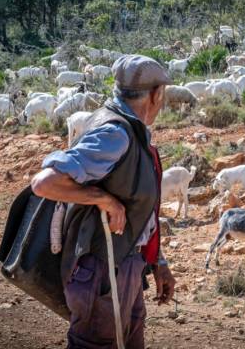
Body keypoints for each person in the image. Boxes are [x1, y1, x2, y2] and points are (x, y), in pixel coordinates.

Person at [31, 54, 176, 349]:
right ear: (156, 94)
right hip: (103, 271)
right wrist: (103, 200)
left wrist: (156, 261)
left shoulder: (130, 130)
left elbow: (140, 205)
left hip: (125, 266)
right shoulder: (115, 133)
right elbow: (44, 183)